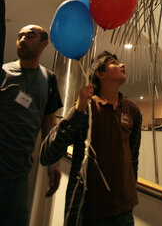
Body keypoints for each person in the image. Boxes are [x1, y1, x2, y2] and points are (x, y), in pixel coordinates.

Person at [40, 50, 142, 226]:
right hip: (88, 211)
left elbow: (133, 157)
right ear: (101, 74)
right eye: (114, 63)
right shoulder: (86, 109)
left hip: (124, 211)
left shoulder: (132, 111)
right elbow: (48, 153)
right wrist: (77, 109)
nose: (122, 65)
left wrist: (131, 190)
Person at [0, 17, 63, 226]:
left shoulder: (49, 79)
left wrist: (53, 162)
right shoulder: (3, 72)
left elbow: (49, 121)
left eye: (29, 35)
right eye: (20, 36)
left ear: (44, 44)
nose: (22, 39)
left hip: (19, 176)